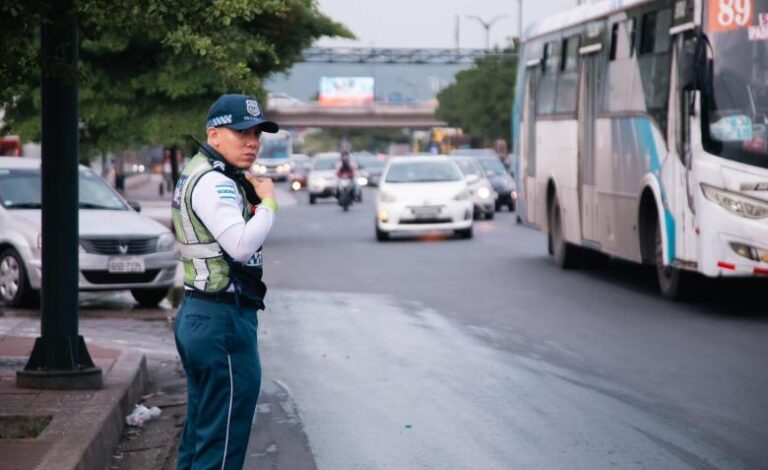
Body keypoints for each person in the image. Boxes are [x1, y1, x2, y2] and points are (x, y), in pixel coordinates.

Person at [171, 93, 279, 470]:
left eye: (256, 134)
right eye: (241, 133)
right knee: (222, 444)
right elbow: (239, 245)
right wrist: (268, 204)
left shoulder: (203, 172)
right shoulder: (214, 182)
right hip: (222, 324)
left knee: (202, 436)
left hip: (203, 316)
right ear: (214, 135)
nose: (252, 142)